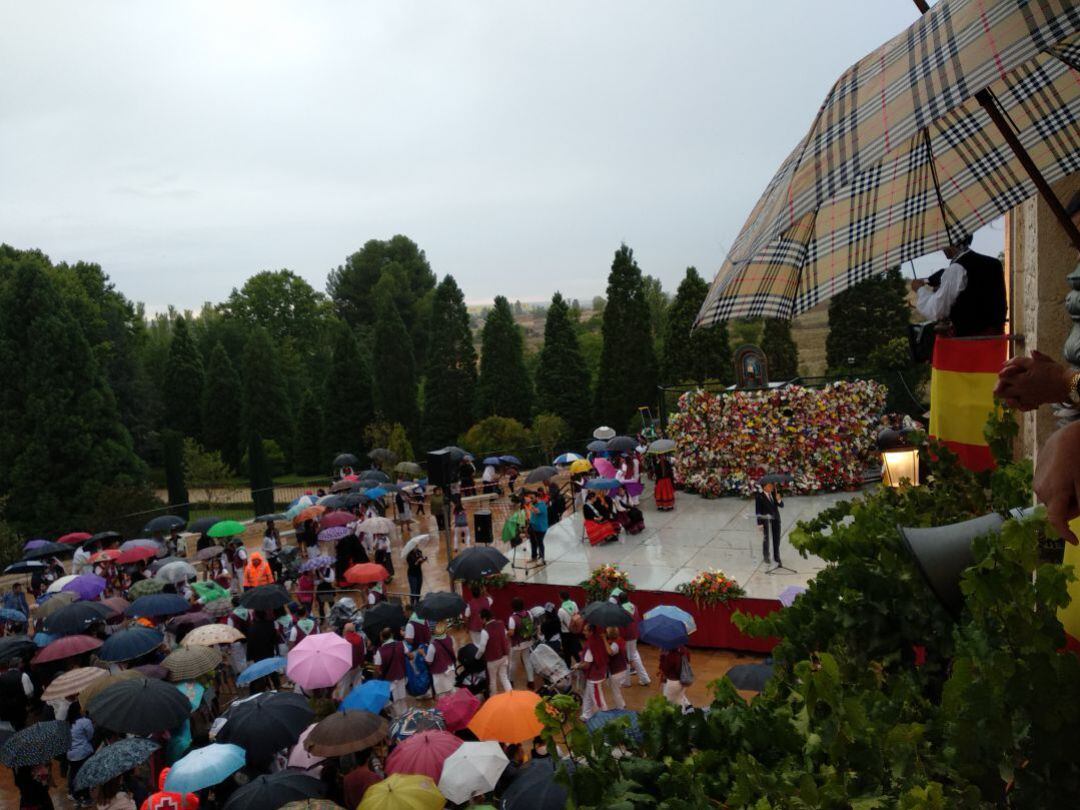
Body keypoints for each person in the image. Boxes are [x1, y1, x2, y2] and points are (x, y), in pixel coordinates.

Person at [911, 234, 1006, 337]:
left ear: (952, 242)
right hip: (997, 344)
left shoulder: (956, 268)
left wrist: (920, 290)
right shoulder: (994, 263)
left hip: (967, 344)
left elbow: (937, 310)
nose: (941, 248)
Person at [474, 608, 512, 695]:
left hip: (492, 660)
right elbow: (506, 636)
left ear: (484, 618)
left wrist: (476, 657)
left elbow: (482, 649)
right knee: (504, 677)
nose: (480, 620)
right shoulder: (501, 624)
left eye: (481, 618)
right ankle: (511, 696)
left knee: (493, 680)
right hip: (504, 656)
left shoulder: (485, 631)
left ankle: (494, 700)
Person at [374, 627, 410, 716]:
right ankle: (406, 715)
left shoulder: (380, 651)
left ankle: (399, 719)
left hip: (389, 681)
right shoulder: (401, 644)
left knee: (395, 701)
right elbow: (410, 655)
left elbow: (377, 669)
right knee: (402, 698)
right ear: (392, 635)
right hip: (401, 676)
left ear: (382, 637)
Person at [617, 592, 650, 686]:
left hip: (625, 637)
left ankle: (626, 681)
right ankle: (645, 679)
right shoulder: (634, 607)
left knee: (626, 658)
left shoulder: (620, 609)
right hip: (634, 635)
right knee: (634, 656)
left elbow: (620, 626)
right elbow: (638, 619)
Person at [577, 624, 609, 721]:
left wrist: (577, 666)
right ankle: (586, 715)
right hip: (598, 673)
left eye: (585, 630)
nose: (583, 632)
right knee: (587, 696)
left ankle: (606, 718)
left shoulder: (591, 644)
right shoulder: (599, 641)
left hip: (594, 677)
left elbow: (587, 664)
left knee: (598, 699)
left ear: (591, 632)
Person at [66, 702, 94, 806]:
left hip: (71, 755)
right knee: (85, 776)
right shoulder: (85, 722)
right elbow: (90, 735)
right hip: (83, 753)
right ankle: (86, 799)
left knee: (74, 776)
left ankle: (77, 797)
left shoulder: (67, 723)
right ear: (79, 710)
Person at [506, 597, 534, 686]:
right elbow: (531, 624)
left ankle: (510, 681)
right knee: (527, 660)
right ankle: (531, 681)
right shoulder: (529, 613)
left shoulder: (512, 618)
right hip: (528, 641)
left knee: (513, 662)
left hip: (517, 644)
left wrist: (506, 633)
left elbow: (511, 633)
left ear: (513, 607)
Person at [425, 622, 457, 696]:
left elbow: (429, 662)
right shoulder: (450, 639)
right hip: (450, 670)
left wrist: (423, 654)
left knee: (442, 696)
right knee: (452, 691)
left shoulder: (432, 646)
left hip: (439, 675)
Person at [755, 482, 784, 566]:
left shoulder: (774, 494)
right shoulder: (759, 496)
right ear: (764, 487)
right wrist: (759, 523)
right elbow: (758, 511)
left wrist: (779, 499)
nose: (771, 487)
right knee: (766, 538)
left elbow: (781, 505)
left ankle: (776, 556)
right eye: (769, 486)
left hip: (776, 519)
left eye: (771, 486)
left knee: (776, 538)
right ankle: (766, 555)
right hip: (765, 520)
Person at [658, 644, 693, 712]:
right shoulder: (684, 650)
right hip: (684, 680)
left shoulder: (671, 655)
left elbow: (665, 669)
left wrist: (662, 656)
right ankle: (687, 707)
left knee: (669, 704)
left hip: (673, 682)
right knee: (679, 701)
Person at [604, 627, 628, 711]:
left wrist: (604, 640)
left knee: (615, 692)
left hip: (617, 671)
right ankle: (622, 704)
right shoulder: (620, 640)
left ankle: (620, 708)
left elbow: (610, 652)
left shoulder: (615, 644)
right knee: (617, 689)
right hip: (623, 669)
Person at [557, 592, 581, 666]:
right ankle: (580, 665)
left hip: (565, 634)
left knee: (567, 653)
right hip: (574, 632)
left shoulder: (561, 610)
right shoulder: (574, 604)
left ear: (561, 598)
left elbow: (559, 622)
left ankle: (568, 667)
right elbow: (577, 614)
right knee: (576, 650)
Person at [524, 492, 548, 564]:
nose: (531, 499)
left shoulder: (542, 505)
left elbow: (537, 511)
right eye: (530, 498)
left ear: (537, 497)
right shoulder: (535, 504)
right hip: (533, 527)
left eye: (532, 498)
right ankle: (534, 557)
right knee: (533, 542)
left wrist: (530, 504)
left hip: (540, 528)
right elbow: (531, 514)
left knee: (539, 543)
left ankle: (542, 558)